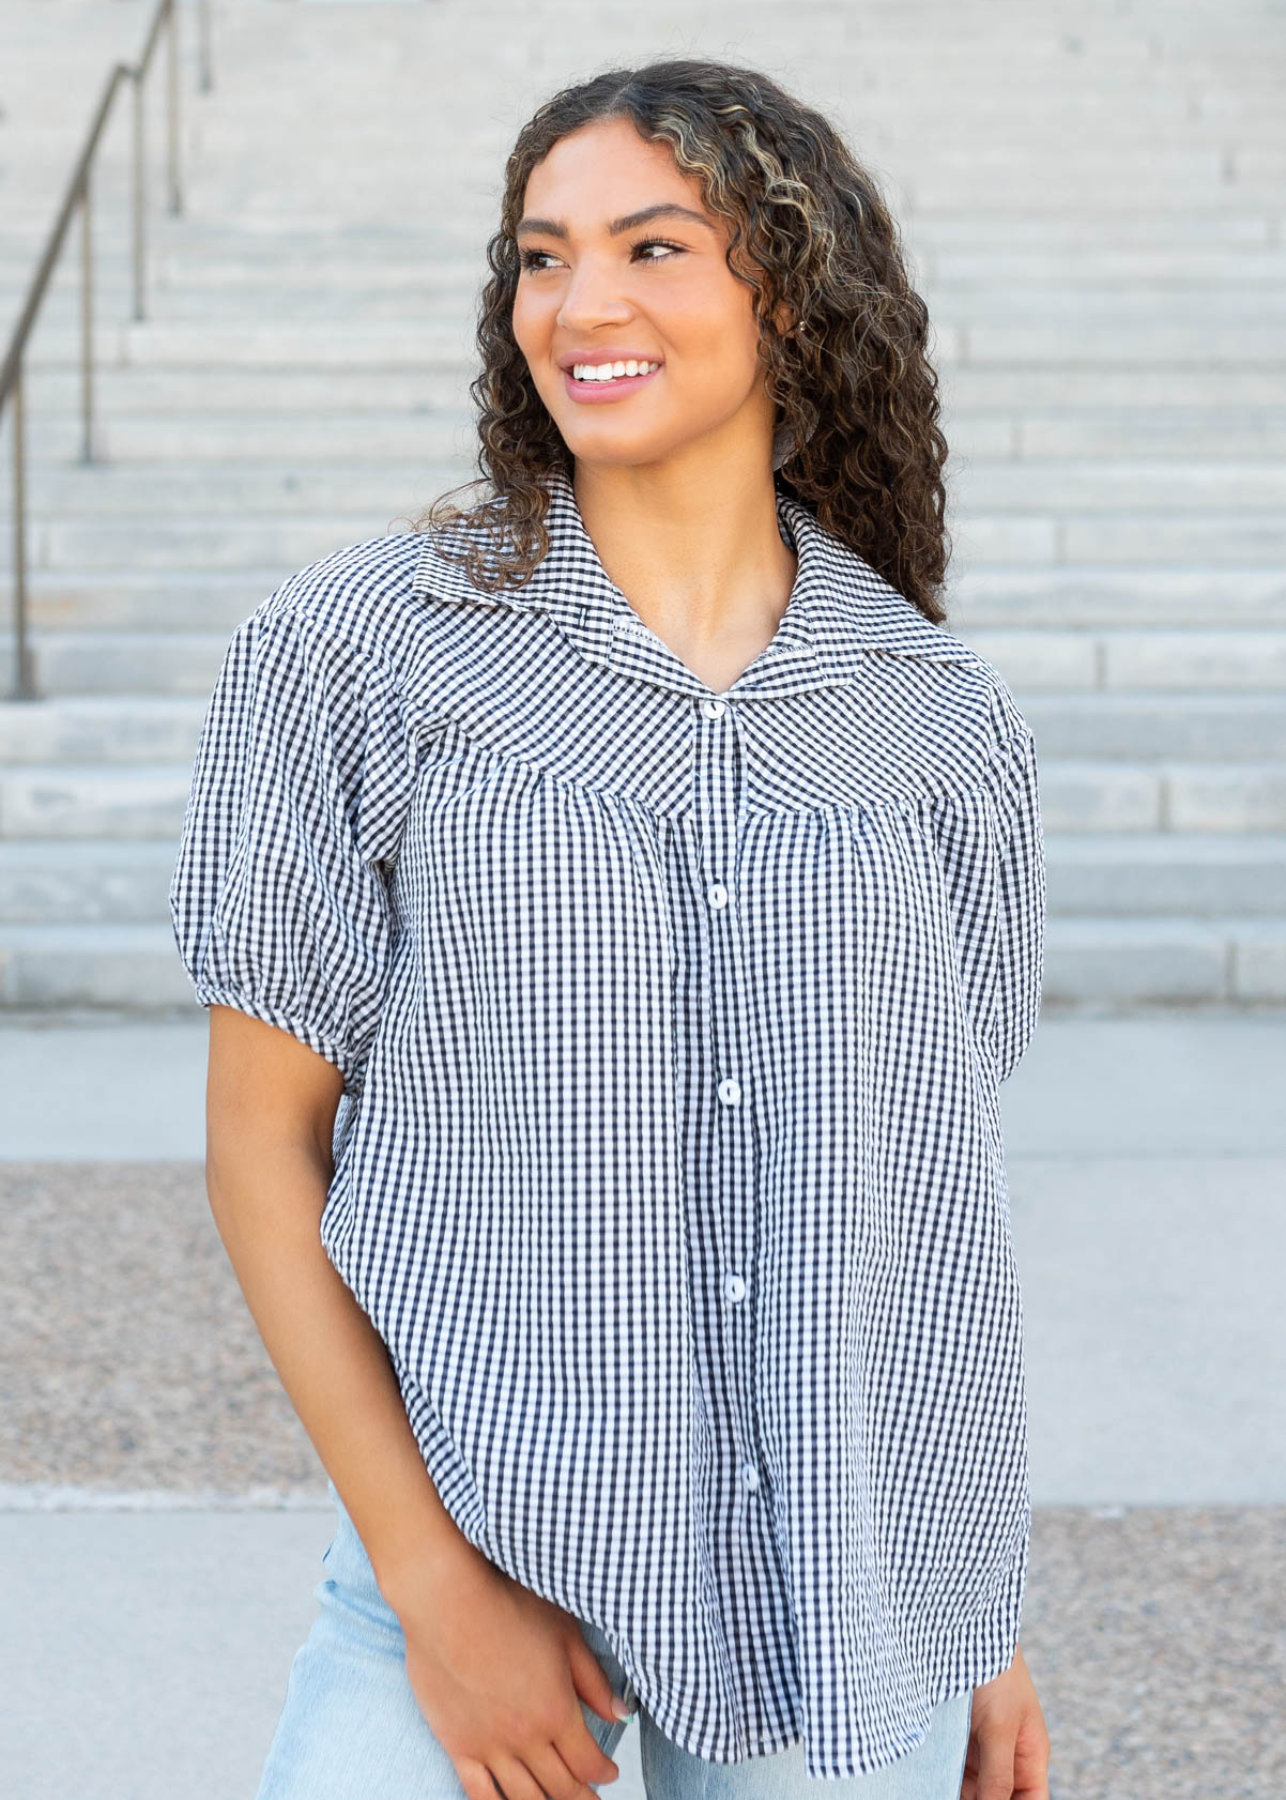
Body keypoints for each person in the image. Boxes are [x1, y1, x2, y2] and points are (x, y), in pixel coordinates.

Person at [169, 56, 1053, 1800]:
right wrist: (435, 1594)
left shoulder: (941, 726)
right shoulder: (358, 661)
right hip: (471, 1571)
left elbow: (924, 1209)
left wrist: (975, 1617)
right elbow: (263, 1153)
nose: (580, 305)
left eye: (654, 248)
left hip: (844, 1615)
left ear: (788, 296)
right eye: (538, 256)